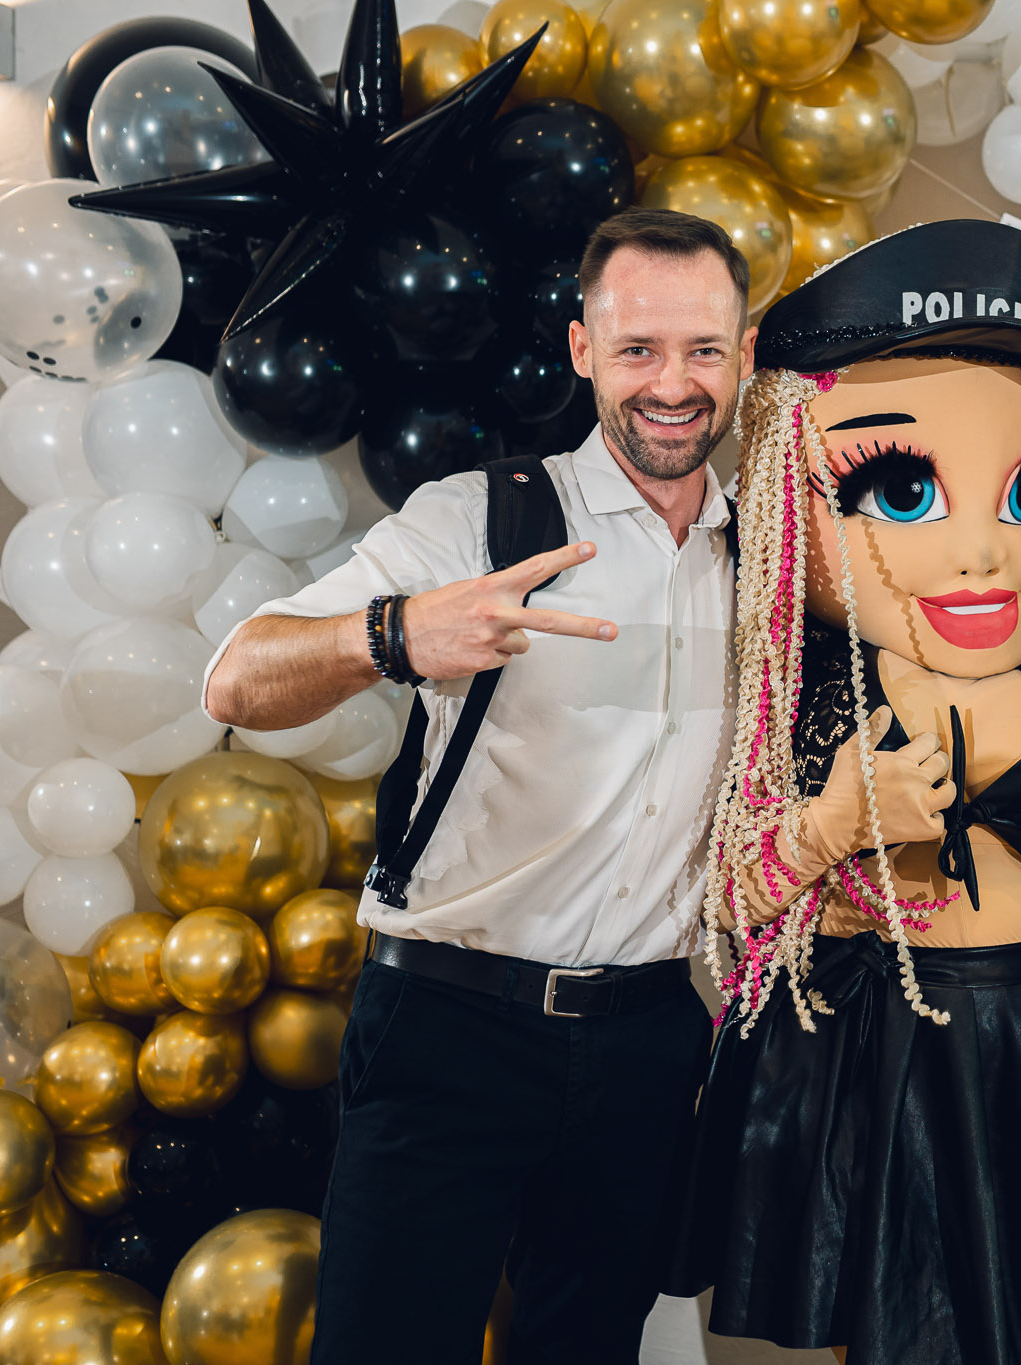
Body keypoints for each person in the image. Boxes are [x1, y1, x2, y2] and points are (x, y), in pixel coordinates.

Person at [201, 208, 752, 1365]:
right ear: (582, 350)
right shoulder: (478, 519)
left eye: (703, 349)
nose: (673, 384)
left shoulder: (763, 558)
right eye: (638, 348)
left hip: (649, 1042)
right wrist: (393, 634)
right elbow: (237, 681)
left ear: (743, 356)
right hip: (448, 1030)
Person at [666, 219, 1021, 1365]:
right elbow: (720, 900)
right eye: (899, 489)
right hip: (849, 1047)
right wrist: (830, 825)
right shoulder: (780, 676)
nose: (978, 553)